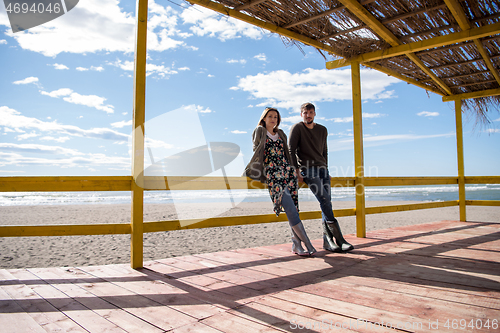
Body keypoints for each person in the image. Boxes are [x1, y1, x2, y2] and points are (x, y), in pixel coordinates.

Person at [243, 107, 316, 256]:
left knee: (294, 209)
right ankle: (308, 244)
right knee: (289, 207)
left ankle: (297, 245)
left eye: (275, 117)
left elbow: (288, 154)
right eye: (270, 116)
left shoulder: (281, 133)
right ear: (264, 118)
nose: (273, 119)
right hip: (273, 173)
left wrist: (294, 170)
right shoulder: (260, 131)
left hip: (288, 172)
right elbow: (256, 150)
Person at [289, 102, 354, 253]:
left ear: (315, 114)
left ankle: (328, 240)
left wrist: (326, 168)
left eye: (311, 112)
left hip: (323, 169)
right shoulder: (297, 128)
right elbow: (291, 150)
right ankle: (339, 239)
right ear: (301, 114)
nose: (308, 115)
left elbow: (325, 151)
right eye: (305, 113)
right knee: (324, 199)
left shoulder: (323, 130)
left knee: (327, 202)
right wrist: (296, 171)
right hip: (307, 169)